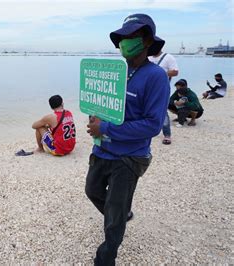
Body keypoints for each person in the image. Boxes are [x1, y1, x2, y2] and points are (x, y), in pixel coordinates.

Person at [85, 14, 170, 265]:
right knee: (92, 190)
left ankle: (106, 257)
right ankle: (121, 214)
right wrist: (95, 116)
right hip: (102, 150)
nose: (125, 42)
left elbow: (153, 125)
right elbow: (107, 106)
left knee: (113, 216)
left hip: (129, 157)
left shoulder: (155, 77)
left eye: (131, 37)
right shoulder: (116, 72)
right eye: (122, 38)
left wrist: (107, 127)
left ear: (146, 41)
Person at [149, 49, 179, 145]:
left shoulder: (168, 57)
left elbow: (175, 72)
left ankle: (167, 135)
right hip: (148, 88)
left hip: (162, 88)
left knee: (163, 110)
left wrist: (159, 73)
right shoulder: (148, 57)